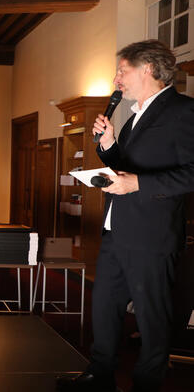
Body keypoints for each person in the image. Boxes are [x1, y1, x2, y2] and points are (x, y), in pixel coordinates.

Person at [57, 40, 194, 391]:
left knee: (152, 317)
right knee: (104, 305)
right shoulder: (134, 118)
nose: (116, 79)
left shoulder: (184, 111)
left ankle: (146, 384)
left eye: (122, 70)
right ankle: (100, 375)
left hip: (152, 235)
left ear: (147, 68)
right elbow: (125, 169)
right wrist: (109, 146)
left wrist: (138, 184)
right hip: (116, 231)